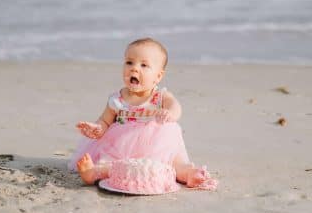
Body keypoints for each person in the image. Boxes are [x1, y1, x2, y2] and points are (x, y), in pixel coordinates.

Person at [69, 37, 217, 190]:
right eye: (129, 62)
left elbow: (175, 105)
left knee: (173, 162)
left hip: (157, 143)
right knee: (112, 164)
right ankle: (93, 173)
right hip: (123, 144)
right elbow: (105, 121)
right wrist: (97, 129)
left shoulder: (160, 96)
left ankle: (187, 173)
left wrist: (170, 113)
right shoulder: (117, 99)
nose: (134, 68)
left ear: (158, 76)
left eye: (144, 65)